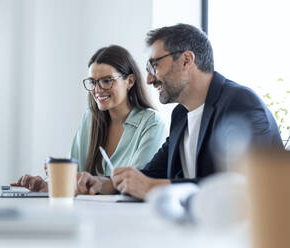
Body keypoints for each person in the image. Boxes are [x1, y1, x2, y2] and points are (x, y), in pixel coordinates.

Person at [76, 24, 283, 199]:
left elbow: (243, 187)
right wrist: (103, 184)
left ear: (186, 60)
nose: (148, 79)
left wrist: (153, 187)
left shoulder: (240, 103)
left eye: (154, 65)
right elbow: (149, 174)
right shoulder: (181, 115)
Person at [11, 45, 167, 193]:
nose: (97, 90)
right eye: (93, 82)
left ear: (130, 81)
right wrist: (47, 185)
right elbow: (75, 177)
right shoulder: (90, 119)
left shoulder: (151, 122)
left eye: (107, 81)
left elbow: (137, 183)